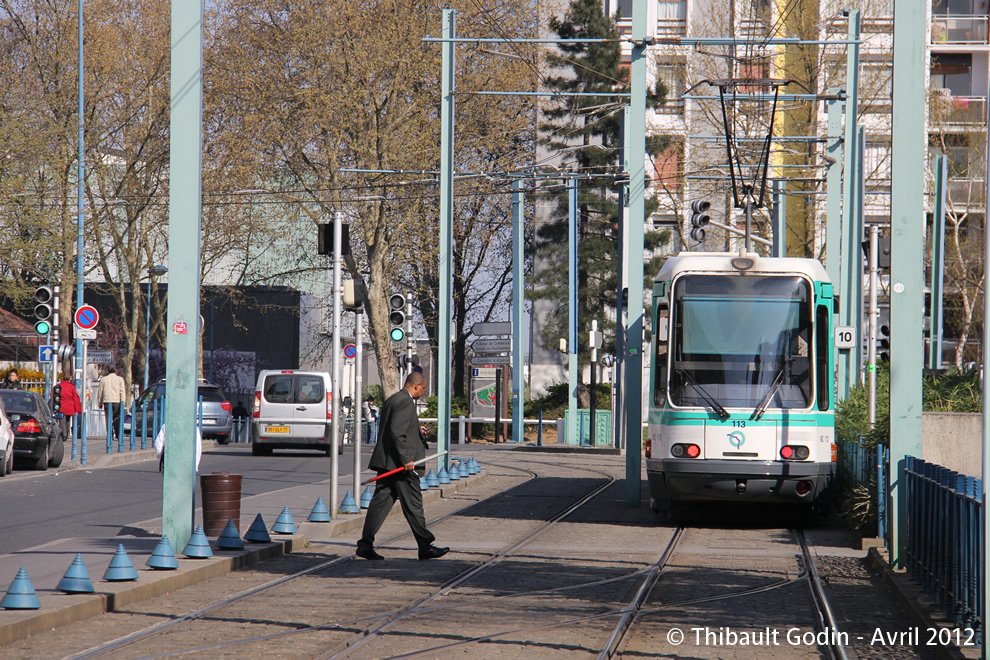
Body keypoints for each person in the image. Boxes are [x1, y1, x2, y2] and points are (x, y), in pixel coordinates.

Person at [356, 372, 448, 561]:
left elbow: (395, 427)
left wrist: (416, 429)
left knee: (379, 505)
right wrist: (406, 459)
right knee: (414, 505)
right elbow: (397, 432)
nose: (422, 392)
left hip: (387, 464)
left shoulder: (394, 399)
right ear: (416, 386)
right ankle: (425, 546)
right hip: (401, 466)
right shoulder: (406, 402)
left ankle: (365, 545)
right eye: (423, 388)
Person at [96, 366, 127, 441]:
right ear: (115, 370)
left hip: (107, 400)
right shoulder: (120, 379)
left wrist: (99, 402)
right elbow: (122, 391)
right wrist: (123, 402)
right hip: (117, 401)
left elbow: (100, 392)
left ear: (108, 371)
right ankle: (118, 434)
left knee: (108, 418)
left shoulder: (103, 380)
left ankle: (110, 434)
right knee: (116, 417)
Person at [55, 372, 82, 442]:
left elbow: (54, 395)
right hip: (70, 407)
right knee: (67, 420)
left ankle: (64, 435)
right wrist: (77, 409)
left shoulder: (59, 386)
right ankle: (66, 432)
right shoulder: (72, 387)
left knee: (62, 421)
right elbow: (75, 398)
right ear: (70, 379)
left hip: (61, 406)